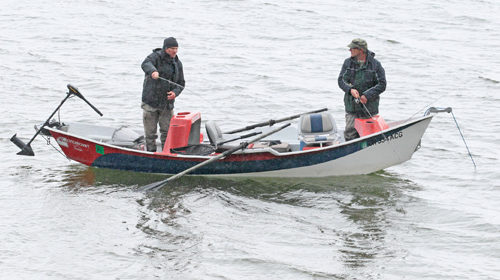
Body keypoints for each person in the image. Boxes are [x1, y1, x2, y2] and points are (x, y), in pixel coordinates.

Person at [141, 37, 185, 152]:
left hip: (167, 104)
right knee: (150, 133)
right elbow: (145, 64)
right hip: (151, 102)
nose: (175, 51)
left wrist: (175, 93)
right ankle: (151, 152)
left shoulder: (177, 63)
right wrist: (153, 72)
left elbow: (181, 83)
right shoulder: (155, 57)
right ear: (166, 48)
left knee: (167, 132)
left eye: (176, 48)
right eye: (172, 48)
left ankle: (166, 153)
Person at [338, 38, 386, 141]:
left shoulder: (376, 65)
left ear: (361, 50)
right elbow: (341, 81)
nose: (349, 50)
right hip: (351, 108)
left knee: (370, 137)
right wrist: (350, 90)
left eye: (352, 48)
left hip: (369, 109)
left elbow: (382, 84)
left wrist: (366, 95)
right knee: (350, 135)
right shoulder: (347, 63)